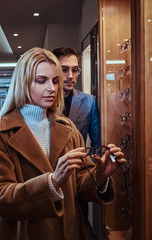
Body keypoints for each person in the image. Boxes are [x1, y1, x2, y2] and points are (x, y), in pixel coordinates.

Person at [0, 47, 125, 240]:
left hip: (67, 229)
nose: (52, 88)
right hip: (22, 232)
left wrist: (100, 176)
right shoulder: (0, 132)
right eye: (41, 81)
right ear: (23, 82)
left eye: (55, 81)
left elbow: (80, 181)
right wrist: (51, 182)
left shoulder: (68, 127)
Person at [53, 47, 101, 236]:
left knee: (79, 228)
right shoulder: (43, 100)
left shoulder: (89, 102)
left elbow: (97, 143)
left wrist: (93, 174)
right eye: (64, 69)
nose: (71, 75)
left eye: (75, 70)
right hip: (50, 176)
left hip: (78, 178)